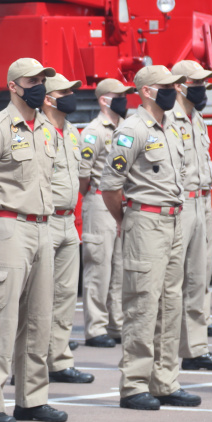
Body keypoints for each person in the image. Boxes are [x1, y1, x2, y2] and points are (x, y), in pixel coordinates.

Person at [0, 58, 67, 422]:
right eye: (32, 80)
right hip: (8, 226)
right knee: (1, 318)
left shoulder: (47, 129)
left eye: (43, 80)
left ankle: (32, 399)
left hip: (43, 227)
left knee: (39, 319)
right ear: (13, 85)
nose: (39, 85)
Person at [100, 64, 201, 411]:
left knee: (170, 305)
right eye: (166, 86)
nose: (173, 90)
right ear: (146, 91)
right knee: (142, 304)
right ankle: (134, 385)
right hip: (145, 221)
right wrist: (127, 219)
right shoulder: (132, 129)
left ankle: (165, 381)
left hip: (173, 221)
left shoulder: (172, 127)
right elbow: (111, 186)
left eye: (175, 85)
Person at [171, 61, 212, 372]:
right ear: (181, 84)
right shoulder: (168, 119)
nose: (203, 89)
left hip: (201, 204)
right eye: (197, 82)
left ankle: (195, 351)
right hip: (179, 206)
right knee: (170, 283)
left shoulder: (198, 120)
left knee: (198, 281)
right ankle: (165, 355)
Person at [41, 74, 95, 384]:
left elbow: (81, 177)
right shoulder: (38, 130)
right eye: (65, 92)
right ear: (48, 98)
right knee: (36, 299)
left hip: (67, 222)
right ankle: (26, 366)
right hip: (44, 221)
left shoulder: (73, 132)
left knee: (63, 297)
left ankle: (58, 361)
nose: (71, 97)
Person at [78, 79, 134, 348]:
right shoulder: (94, 131)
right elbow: (83, 175)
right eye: (118, 96)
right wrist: (94, 194)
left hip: (122, 202)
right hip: (100, 201)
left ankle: (117, 324)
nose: (125, 100)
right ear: (103, 100)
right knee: (99, 266)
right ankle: (96, 328)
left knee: (121, 266)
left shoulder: (126, 128)